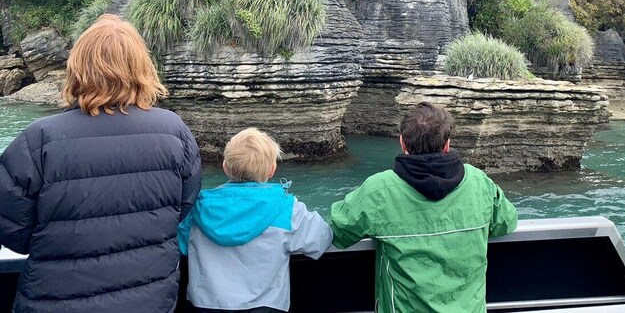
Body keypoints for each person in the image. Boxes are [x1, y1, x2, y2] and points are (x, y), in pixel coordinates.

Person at [0, 14, 201, 313]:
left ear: (78, 66)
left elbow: (11, 228)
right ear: (141, 67)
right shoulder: (175, 132)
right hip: (150, 299)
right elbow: (181, 208)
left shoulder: (38, 139)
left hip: (55, 300)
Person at [328, 102, 518, 313]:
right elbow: (506, 221)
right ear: (447, 144)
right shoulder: (478, 181)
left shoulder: (379, 189)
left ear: (402, 143)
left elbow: (337, 231)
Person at [178, 128, 332, 313]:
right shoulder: (287, 208)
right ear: (272, 170)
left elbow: (179, 246)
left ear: (225, 166)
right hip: (266, 307)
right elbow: (321, 239)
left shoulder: (196, 208)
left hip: (204, 306)